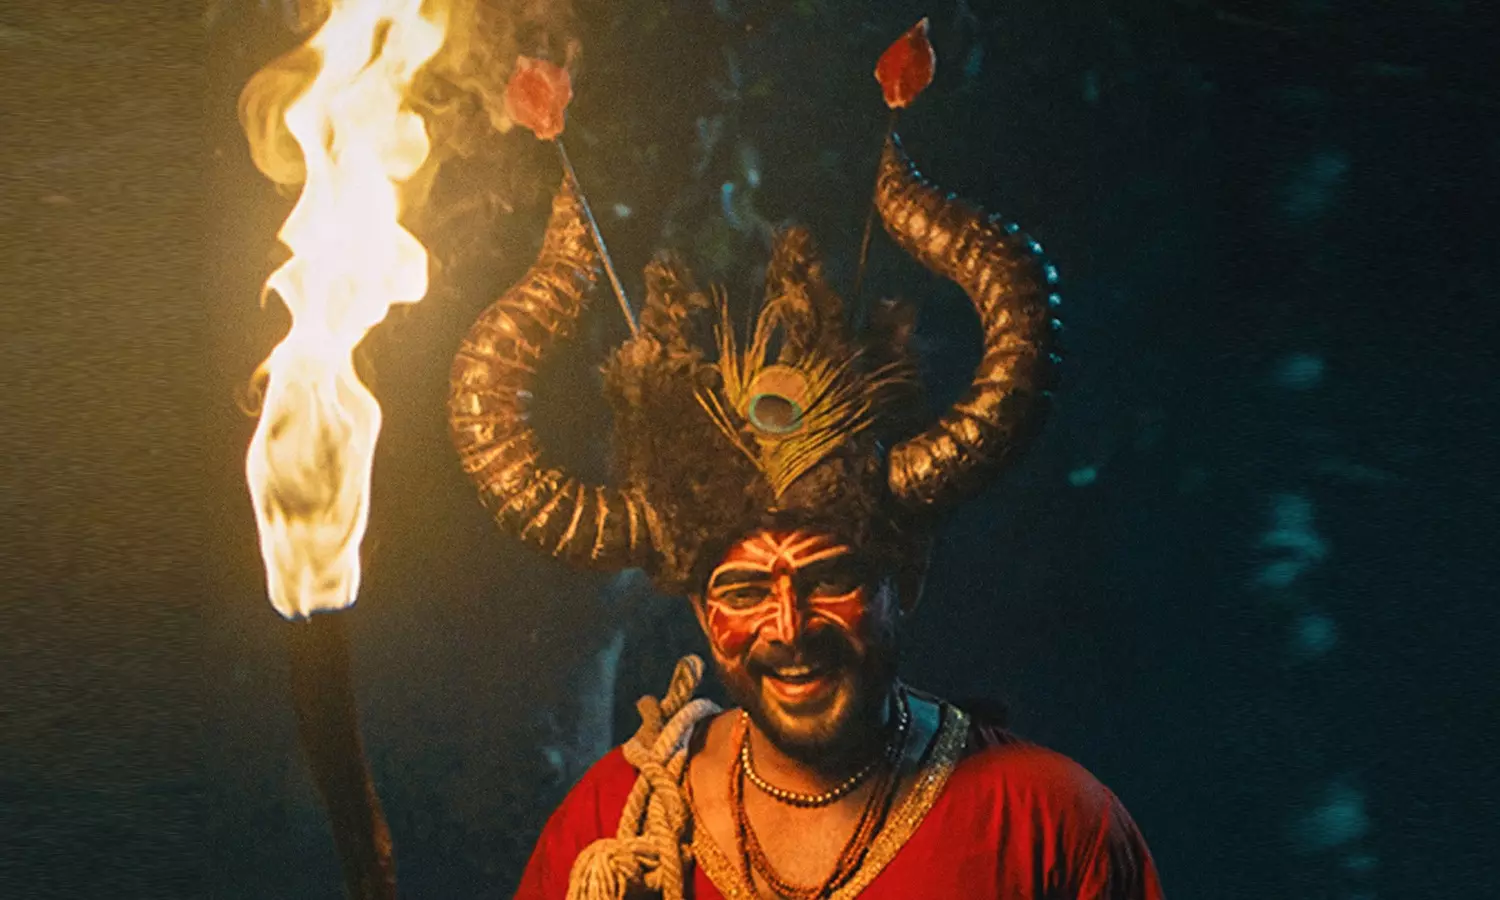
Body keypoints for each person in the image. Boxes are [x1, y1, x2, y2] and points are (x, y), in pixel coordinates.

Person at [449, 134, 1164, 899]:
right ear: (702, 611)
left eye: (828, 579)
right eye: (745, 591)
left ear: (904, 580)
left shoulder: (1046, 821)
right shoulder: (610, 823)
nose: (789, 629)